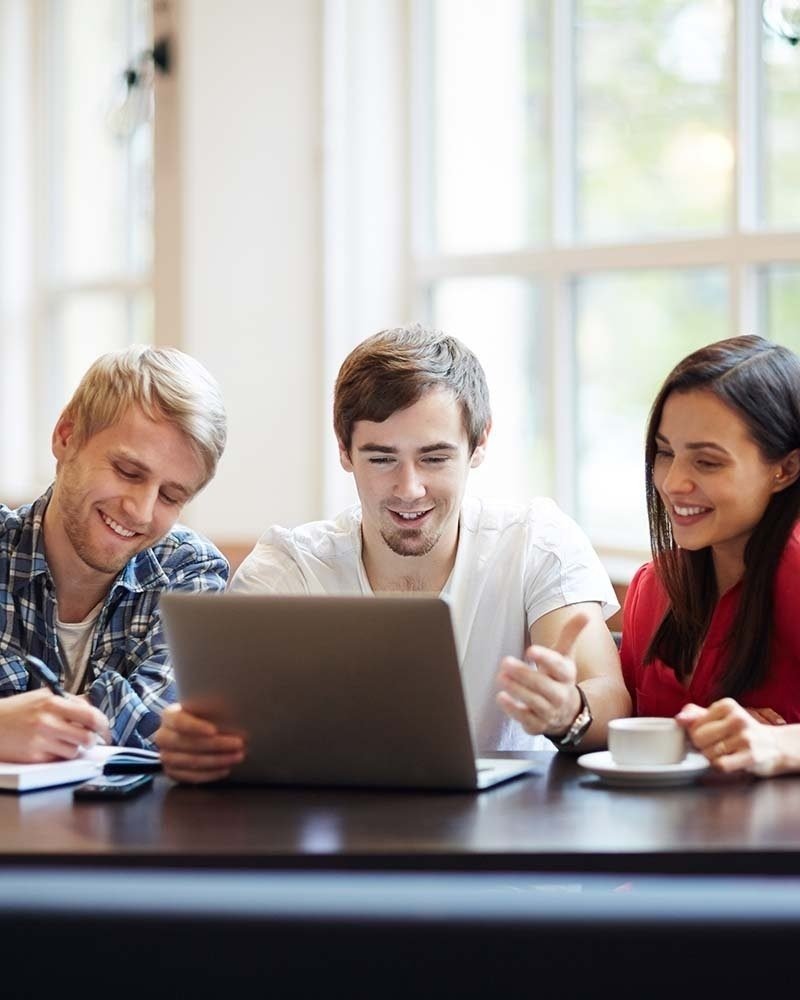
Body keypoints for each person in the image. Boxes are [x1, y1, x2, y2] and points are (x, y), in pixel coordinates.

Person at [155, 323, 630, 783]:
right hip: (330, 830)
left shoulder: (535, 541)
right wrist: (195, 740)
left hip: (502, 832)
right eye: (381, 459)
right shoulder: (288, 566)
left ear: (479, 444)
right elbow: (233, 728)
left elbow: (610, 699)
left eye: (434, 458)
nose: (409, 488)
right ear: (344, 450)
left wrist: (570, 711)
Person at [0, 345, 228, 762]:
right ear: (66, 437)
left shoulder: (189, 572)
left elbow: (158, 716)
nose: (140, 511)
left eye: (171, 496)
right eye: (128, 472)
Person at [618, 334, 800, 776]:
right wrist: (570, 710)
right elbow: (619, 729)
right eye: (665, 453)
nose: (673, 482)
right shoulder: (655, 586)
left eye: (707, 462)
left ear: (785, 469)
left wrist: (783, 742)